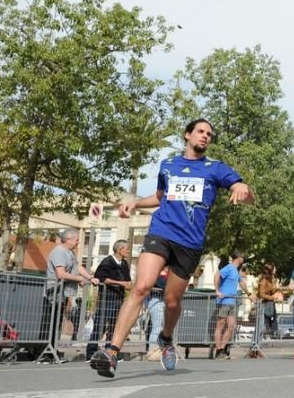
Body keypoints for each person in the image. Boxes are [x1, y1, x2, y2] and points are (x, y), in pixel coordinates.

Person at [91, 118, 255, 378]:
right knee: (142, 286)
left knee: (172, 300)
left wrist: (242, 186)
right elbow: (159, 197)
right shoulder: (168, 165)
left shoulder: (215, 168)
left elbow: (240, 188)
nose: (205, 136)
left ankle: (165, 338)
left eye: (209, 134)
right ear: (187, 135)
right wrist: (135, 204)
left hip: (189, 243)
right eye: (200, 132)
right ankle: (111, 353)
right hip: (161, 231)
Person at [42, 229, 97, 356]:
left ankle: (53, 349)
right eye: (77, 239)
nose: (78, 242)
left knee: (57, 323)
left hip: (62, 293)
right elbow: (60, 273)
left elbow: (77, 267)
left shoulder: (69, 252)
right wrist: (79, 279)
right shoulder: (59, 252)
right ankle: (45, 351)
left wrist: (89, 277)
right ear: (68, 239)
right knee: (50, 322)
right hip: (53, 292)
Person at [85, 240, 132, 361]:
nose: (128, 251)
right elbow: (101, 278)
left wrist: (128, 285)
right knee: (99, 326)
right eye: (126, 248)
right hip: (107, 299)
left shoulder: (125, 264)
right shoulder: (107, 262)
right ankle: (90, 353)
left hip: (119, 299)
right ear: (119, 249)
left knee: (114, 327)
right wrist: (120, 283)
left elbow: (128, 279)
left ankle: (110, 352)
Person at [213, 253, 248, 359]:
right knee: (220, 325)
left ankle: (222, 349)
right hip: (224, 301)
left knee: (231, 326)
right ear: (238, 258)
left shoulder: (236, 271)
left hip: (232, 301)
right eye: (242, 257)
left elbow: (241, 283)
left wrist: (249, 294)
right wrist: (217, 290)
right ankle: (218, 350)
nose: (244, 259)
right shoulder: (228, 268)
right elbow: (217, 275)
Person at [144, 267, 169, 361]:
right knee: (157, 327)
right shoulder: (156, 273)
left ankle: (160, 350)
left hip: (163, 300)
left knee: (161, 327)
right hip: (156, 299)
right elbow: (162, 285)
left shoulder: (166, 274)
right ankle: (152, 351)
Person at [256, 261, 281, 340]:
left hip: (269, 304)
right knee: (263, 322)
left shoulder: (270, 279)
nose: (276, 269)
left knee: (269, 321)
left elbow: (270, 290)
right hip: (264, 304)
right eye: (274, 268)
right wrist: (272, 297)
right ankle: (258, 342)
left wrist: (277, 289)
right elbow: (261, 294)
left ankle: (267, 337)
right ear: (271, 269)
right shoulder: (263, 280)